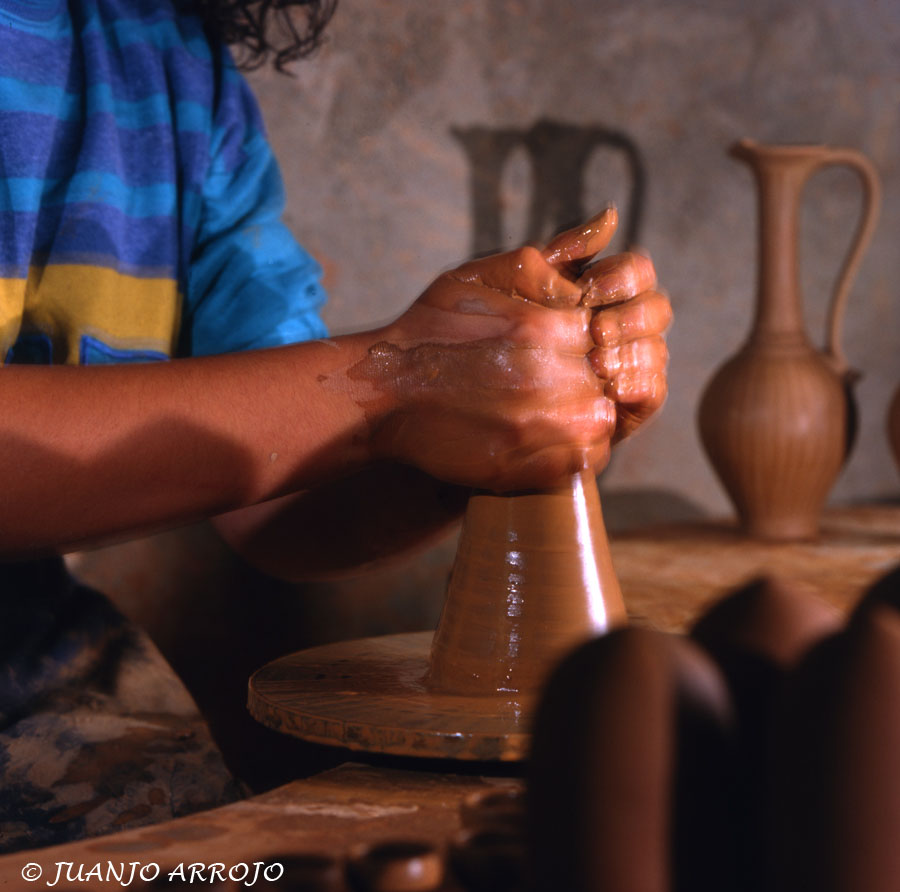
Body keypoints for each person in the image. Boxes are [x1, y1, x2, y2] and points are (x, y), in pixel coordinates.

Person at [0, 0, 672, 853]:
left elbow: (283, 497)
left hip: (33, 665)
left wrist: (483, 430)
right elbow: (352, 402)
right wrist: (399, 380)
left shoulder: (176, 72)